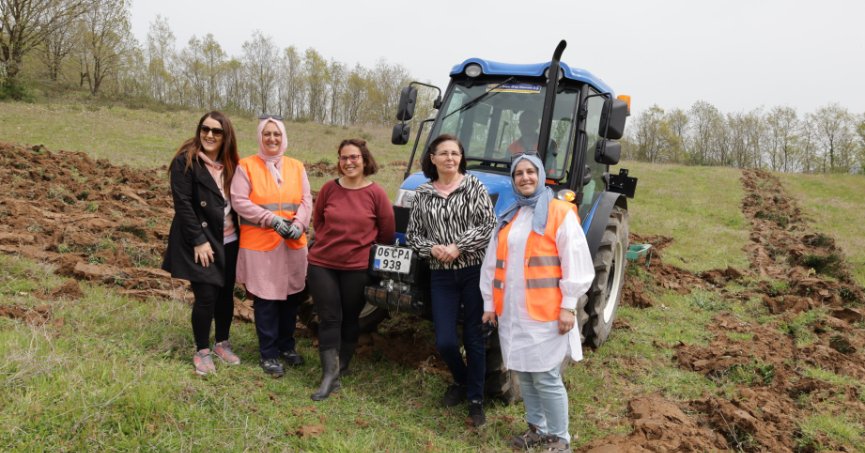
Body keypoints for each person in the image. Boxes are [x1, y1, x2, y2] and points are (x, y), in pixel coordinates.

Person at [480, 154, 595, 452]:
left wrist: (569, 305)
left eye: (531, 171)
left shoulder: (559, 213)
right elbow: (492, 264)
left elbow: (576, 262)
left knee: (545, 376)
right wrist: (489, 304)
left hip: (546, 313)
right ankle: (537, 429)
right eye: (518, 173)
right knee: (523, 372)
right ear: (513, 179)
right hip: (512, 313)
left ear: (542, 175)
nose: (525, 177)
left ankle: (560, 437)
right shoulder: (509, 214)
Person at [406, 134, 496, 427]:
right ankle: (464, 380)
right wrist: (432, 248)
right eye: (443, 153)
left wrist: (458, 246)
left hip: (472, 271)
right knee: (445, 340)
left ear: (461, 158)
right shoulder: (422, 193)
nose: (449, 158)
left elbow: (488, 226)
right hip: (441, 275)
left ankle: (475, 401)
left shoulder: (474, 187)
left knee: (474, 338)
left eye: (454, 153)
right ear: (432, 158)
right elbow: (413, 235)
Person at [307, 138, 395, 401]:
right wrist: (327, 244)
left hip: (357, 267)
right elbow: (318, 221)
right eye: (344, 158)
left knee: (349, 318)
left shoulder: (376, 194)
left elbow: (387, 232)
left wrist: (363, 251)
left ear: (364, 159)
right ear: (339, 161)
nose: (349, 162)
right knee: (329, 317)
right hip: (323, 263)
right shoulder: (328, 189)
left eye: (354, 157)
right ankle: (328, 376)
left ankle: (342, 363)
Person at [230, 115, 312, 378]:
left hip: (291, 244)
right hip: (261, 246)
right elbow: (239, 201)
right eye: (267, 134)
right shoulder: (246, 167)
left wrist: (299, 224)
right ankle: (269, 353)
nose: (272, 139)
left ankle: (287, 346)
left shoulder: (296, 167)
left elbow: (306, 200)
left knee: (290, 298)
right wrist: (271, 220)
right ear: (260, 137)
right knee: (266, 300)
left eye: (276, 134)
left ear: (283, 137)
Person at [163, 111, 241, 376]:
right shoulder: (185, 162)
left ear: (225, 136)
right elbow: (183, 205)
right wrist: (198, 240)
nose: (209, 135)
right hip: (201, 241)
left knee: (225, 294)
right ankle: (202, 350)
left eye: (216, 131)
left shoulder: (231, 164)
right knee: (207, 296)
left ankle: (222, 342)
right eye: (205, 129)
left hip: (230, 240)